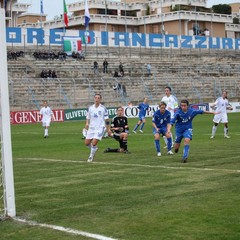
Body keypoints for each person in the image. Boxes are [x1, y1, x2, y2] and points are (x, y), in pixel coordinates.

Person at [85, 94, 112, 162]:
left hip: (100, 127)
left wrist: (108, 129)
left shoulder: (103, 108)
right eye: (96, 98)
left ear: (100, 100)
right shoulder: (90, 108)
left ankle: (91, 156)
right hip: (91, 128)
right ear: (94, 99)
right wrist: (87, 123)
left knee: (94, 143)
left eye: (98, 98)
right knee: (87, 143)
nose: (97, 99)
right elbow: (88, 117)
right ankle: (94, 149)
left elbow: (107, 120)